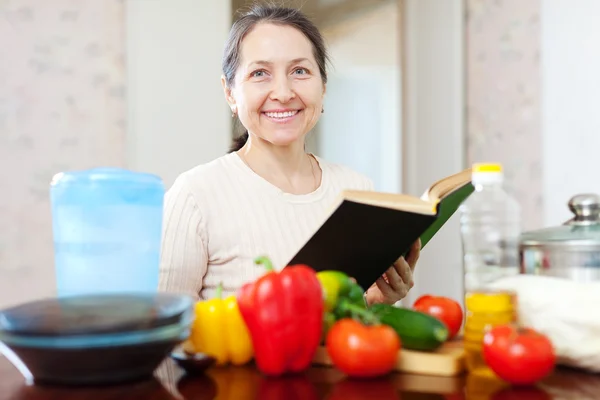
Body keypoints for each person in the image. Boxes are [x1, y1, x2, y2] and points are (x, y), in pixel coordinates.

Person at [158, 3, 421, 306]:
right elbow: (162, 343)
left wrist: (373, 301)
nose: (283, 93)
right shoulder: (195, 196)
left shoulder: (358, 190)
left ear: (323, 86)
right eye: (260, 73)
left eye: (299, 71)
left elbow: (348, 339)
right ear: (230, 92)